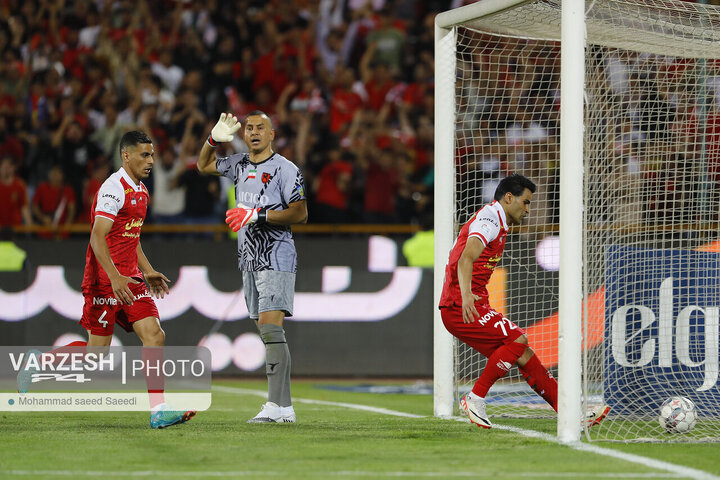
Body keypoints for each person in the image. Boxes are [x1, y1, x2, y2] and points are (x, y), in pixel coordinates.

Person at [18, 131, 196, 429]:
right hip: (104, 280)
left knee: (155, 335)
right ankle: (39, 363)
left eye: (152, 154)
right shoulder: (113, 189)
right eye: (144, 155)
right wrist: (114, 277)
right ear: (125, 156)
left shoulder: (141, 191)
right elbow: (97, 236)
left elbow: (130, 237)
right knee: (94, 356)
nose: (150, 160)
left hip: (131, 278)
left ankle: (158, 410)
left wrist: (147, 270)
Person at [439, 173, 609, 429]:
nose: (528, 209)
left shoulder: (495, 219)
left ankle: (570, 413)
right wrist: (464, 296)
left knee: (524, 354)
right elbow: (465, 258)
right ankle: (475, 398)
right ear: (509, 198)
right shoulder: (489, 219)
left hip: (472, 303)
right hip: (460, 305)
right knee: (518, 339)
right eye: (525, 202)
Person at [198, 111, 308, 423]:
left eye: (261, 127)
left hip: (276, 254)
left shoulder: (286, 169)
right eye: (249, 128)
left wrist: (256, 215)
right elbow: (203, 165)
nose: (254, 132)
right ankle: (284, 407)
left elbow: (300, 213)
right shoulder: (238, 164)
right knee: (267, 331)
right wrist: (212, 140)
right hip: (248, 258)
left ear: (272, 134)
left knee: (272, 328)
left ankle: (274, 406)